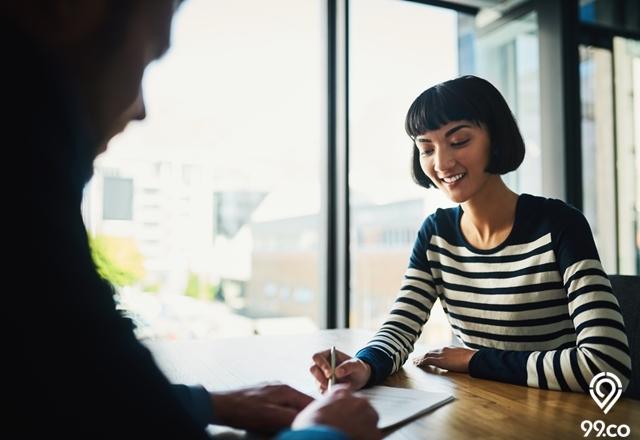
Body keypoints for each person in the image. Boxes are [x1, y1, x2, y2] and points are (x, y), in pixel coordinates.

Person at [4, 1, 381, 438]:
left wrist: (208, 403)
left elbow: (70, 387)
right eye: (148, 55)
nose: (139, 108)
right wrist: (324, 434)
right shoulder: (24, 190)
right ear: (73, 11)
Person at [310, 75, 632, 394]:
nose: (442, 162)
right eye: (426, 148)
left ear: (496, 137)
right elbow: (400, 327)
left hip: (564, 417)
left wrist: (476, 360)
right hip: (484, 408)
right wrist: (364, 365)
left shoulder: (560, 225)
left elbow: (606, 365)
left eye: (459, 141)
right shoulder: (436, 234)